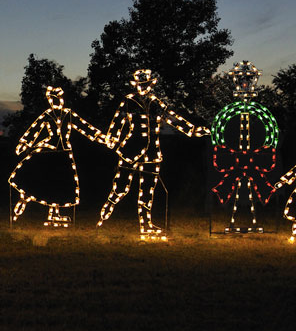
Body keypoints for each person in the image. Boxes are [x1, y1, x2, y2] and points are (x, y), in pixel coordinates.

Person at [97, 69, 209, 239]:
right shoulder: (129, 101)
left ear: (150, 85)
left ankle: (145, 224)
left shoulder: (156, 103)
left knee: (148, 190)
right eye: (140, 85)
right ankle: (103, 217)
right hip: (130, 150)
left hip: (151, 153)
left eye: (146, 85)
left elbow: (173, 118)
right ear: (136, 85)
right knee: (121, 187)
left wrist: (193, 131)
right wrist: (112, 138)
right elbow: (118, 121)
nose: (143, 88)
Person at [9, 86, 104, 226]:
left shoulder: (68, 114)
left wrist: (100, 137)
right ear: (50, 100)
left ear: (61, 99)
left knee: (59, 183)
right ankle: (21, 205)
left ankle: (54, 214)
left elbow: (85, 128)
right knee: (41, 179)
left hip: (64, 153)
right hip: (49, 151)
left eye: (57, 99)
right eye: (52, 99)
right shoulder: (47, 115)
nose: (55, 102)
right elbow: (34, 129)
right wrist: (24, 143)